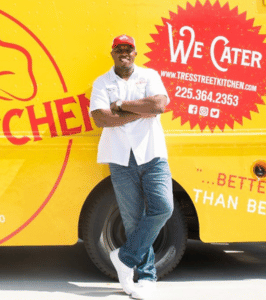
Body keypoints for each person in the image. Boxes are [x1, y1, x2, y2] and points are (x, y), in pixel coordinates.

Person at [89, 34, 174, 299]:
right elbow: (101, 118)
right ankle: (146, 277)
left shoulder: (149, 76)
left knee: (163, 208)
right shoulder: (102, 82)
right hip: (120, 158)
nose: (124, 52)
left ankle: (124, 258)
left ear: (135, 52)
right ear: (112, 53)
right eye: (119, 49)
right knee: (133, 220)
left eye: (128, 48)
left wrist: (122, 106)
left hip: (152, 153)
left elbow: (159, 104)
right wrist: (141, 111)